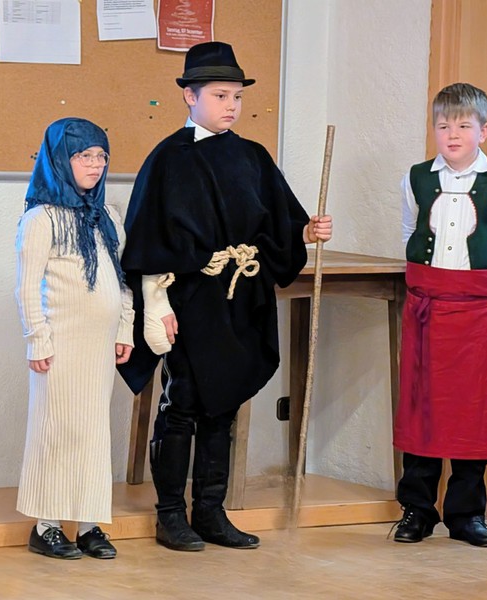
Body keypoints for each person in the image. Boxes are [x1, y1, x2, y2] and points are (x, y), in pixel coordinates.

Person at [118, 41, 333, 552]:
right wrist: (157, 306)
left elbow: (278, 224)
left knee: (225, 402)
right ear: (190, 96)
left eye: (237, 96)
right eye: (220, 95)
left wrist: (305, 233)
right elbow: (147, 241)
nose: (231, 105)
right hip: (193, 299)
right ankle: (171, 515)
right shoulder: (167, 160)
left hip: (242, 297)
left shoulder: (252, 156)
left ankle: (211, 512)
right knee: (185, 401)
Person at [392, 83, 487, 547]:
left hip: (477, 313)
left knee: (475, 410)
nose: (452, 134)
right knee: (421, 408)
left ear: (483, 131)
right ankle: (417, 510)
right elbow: (409, 229)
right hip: (427, 309)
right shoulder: (416, 178)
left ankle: (467, 514)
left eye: (463, 126)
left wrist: (466, 283)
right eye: (443, 125)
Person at [15, 117, 134, 559]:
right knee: (57, 429)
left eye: (102, 156)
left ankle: (88, 523)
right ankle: (46, 524)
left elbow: (121, 280)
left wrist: (124, 327)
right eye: (85, 156)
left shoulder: (106, 218)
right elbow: (27, 286)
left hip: (98, 348)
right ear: (60, 160)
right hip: (60, 345)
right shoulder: (41, 219)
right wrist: (37, 339)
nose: (96, 165)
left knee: (92, 431)